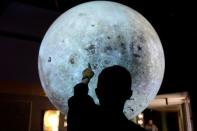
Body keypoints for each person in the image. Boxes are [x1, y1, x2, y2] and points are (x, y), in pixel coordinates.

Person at [67, 64, 146, 131]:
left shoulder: (84, 120)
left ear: (97, 93)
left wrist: (86, 77)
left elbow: (79, 97)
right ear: (129, 94)